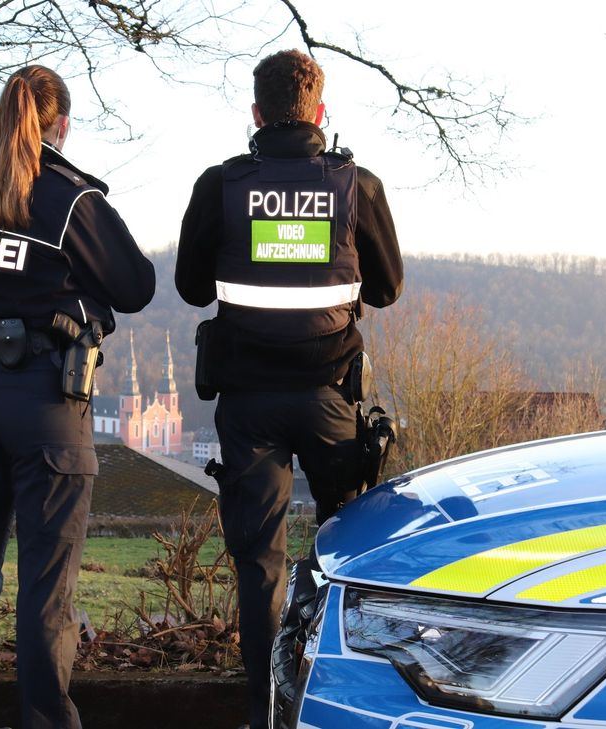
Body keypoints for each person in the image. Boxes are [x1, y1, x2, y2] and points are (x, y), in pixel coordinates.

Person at [175, 49, 403, 729]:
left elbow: (190, 287)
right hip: (329, 395)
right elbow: (387, 288)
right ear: (319, 113)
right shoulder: (355, 183)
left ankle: (265, 711)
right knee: (349, 552)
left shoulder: (221, 185)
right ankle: (345, 703)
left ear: (256, 113)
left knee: (260, 564)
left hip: (247, 404)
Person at [0, 65, 155, 729]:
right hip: (45, 402)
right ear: (60, 124)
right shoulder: (69, 201)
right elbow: (137, 284)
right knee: (44, 586)